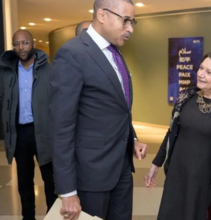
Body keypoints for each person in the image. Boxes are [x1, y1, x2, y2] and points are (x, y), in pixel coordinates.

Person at [49, 0, 148, 220]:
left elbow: (115, 108)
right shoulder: (72, 54)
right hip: (91, 175)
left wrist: (133, 138)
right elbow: (61, 127)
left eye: (133, 22)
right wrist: (67, 191)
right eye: (126, 20)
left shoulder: (114, 53)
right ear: (102, 15)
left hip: (121, 167)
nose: (130, 28)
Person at [145, 49, 211, 220]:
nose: (200, 74)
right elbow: (172, 133)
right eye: (201, 68)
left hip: (207, 183)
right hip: (177, 176)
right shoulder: (185, 97)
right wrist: (155, 164)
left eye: (209, 72)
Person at [0, 30, 57, 220]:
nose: (21, 48)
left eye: (25, 43)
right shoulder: (7, 71)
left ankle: (53, 216)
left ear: (32, 43)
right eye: (16, 44)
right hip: (20, 134)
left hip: (44, 132)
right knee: (24, 183)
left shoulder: (48, 69)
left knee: (51, 182)